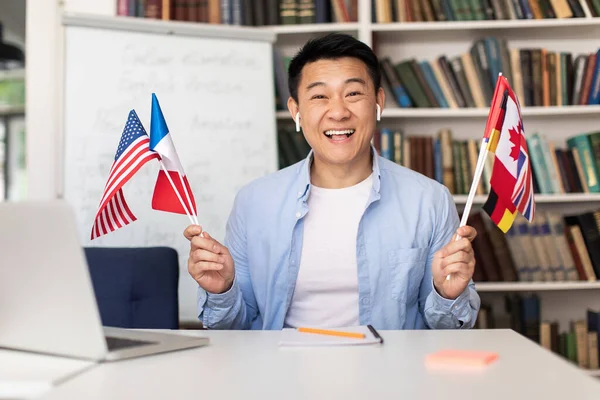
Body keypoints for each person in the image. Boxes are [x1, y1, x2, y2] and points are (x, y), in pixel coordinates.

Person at [184, 33, 480, 330]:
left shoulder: (428, 199)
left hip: (390, 372)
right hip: (282, 372)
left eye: (353, 94)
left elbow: (446, 331)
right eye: (319, 96)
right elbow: (236, 327)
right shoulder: (254, 201)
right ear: (296, 111)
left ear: (378, 102)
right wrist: (220, 290)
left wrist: (447, 294)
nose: (338, 112)